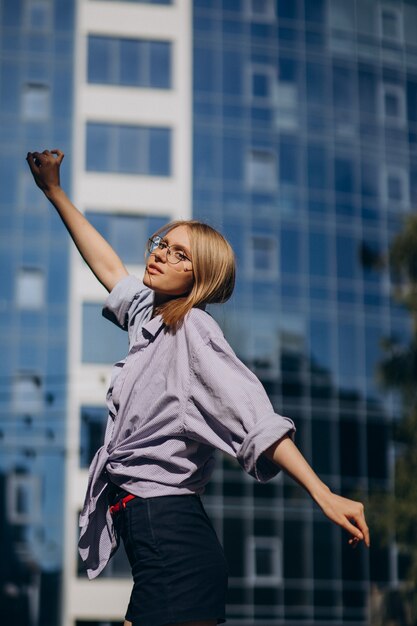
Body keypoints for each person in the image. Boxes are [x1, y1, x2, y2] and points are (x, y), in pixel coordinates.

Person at [27, 149, 370, 626]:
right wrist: (55, 191)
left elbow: (257, 421)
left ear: (199, 277)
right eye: (161, 244)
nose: (161, 254)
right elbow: (109, 269)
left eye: (179, 253)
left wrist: (322, 493)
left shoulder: (193, 331)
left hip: (173, 542)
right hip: (155, 540)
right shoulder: (150, 318)